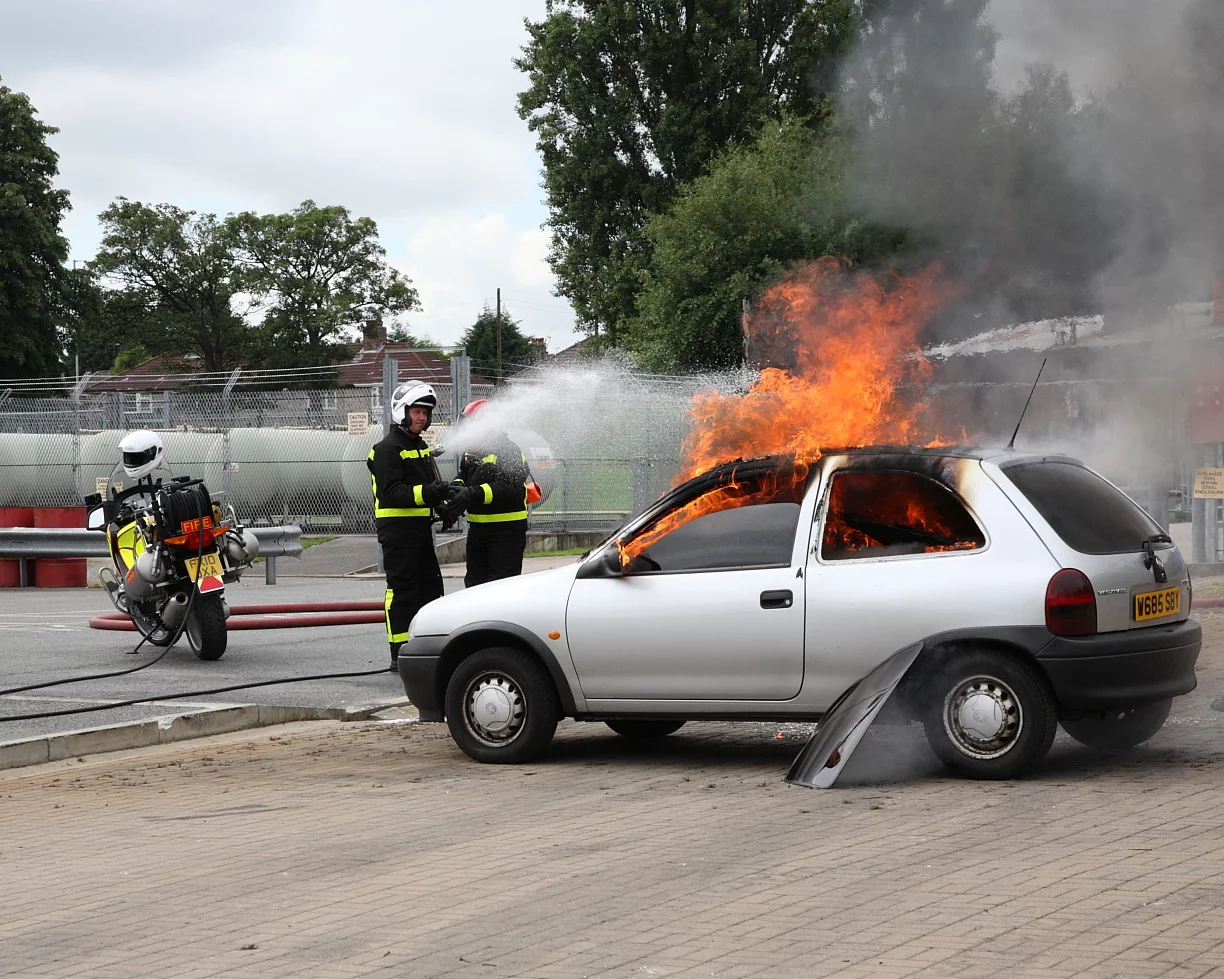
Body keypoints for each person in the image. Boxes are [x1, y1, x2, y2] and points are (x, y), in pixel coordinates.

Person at [367, 381, 454, 671]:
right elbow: (392, 493)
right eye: (417, 411)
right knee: (403, 591)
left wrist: (443, 507)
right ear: (401, 412)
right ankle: (399, 653)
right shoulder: (387, 450)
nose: (422, 418)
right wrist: (432, 493)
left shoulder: (420, 447)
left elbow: (426, 488)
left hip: (419, 530)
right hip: (397, 532)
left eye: (426, 413)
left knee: (431, 588)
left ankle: (426, 648)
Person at [441, 399, 532, 588]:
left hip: (506, 532)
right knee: (474, 586)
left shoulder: (508, 450)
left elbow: (508, 487)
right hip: (478, 531)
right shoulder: (473, 451)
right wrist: (455, 491)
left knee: (500, 588)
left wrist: (471, 494)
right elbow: (463, 476)